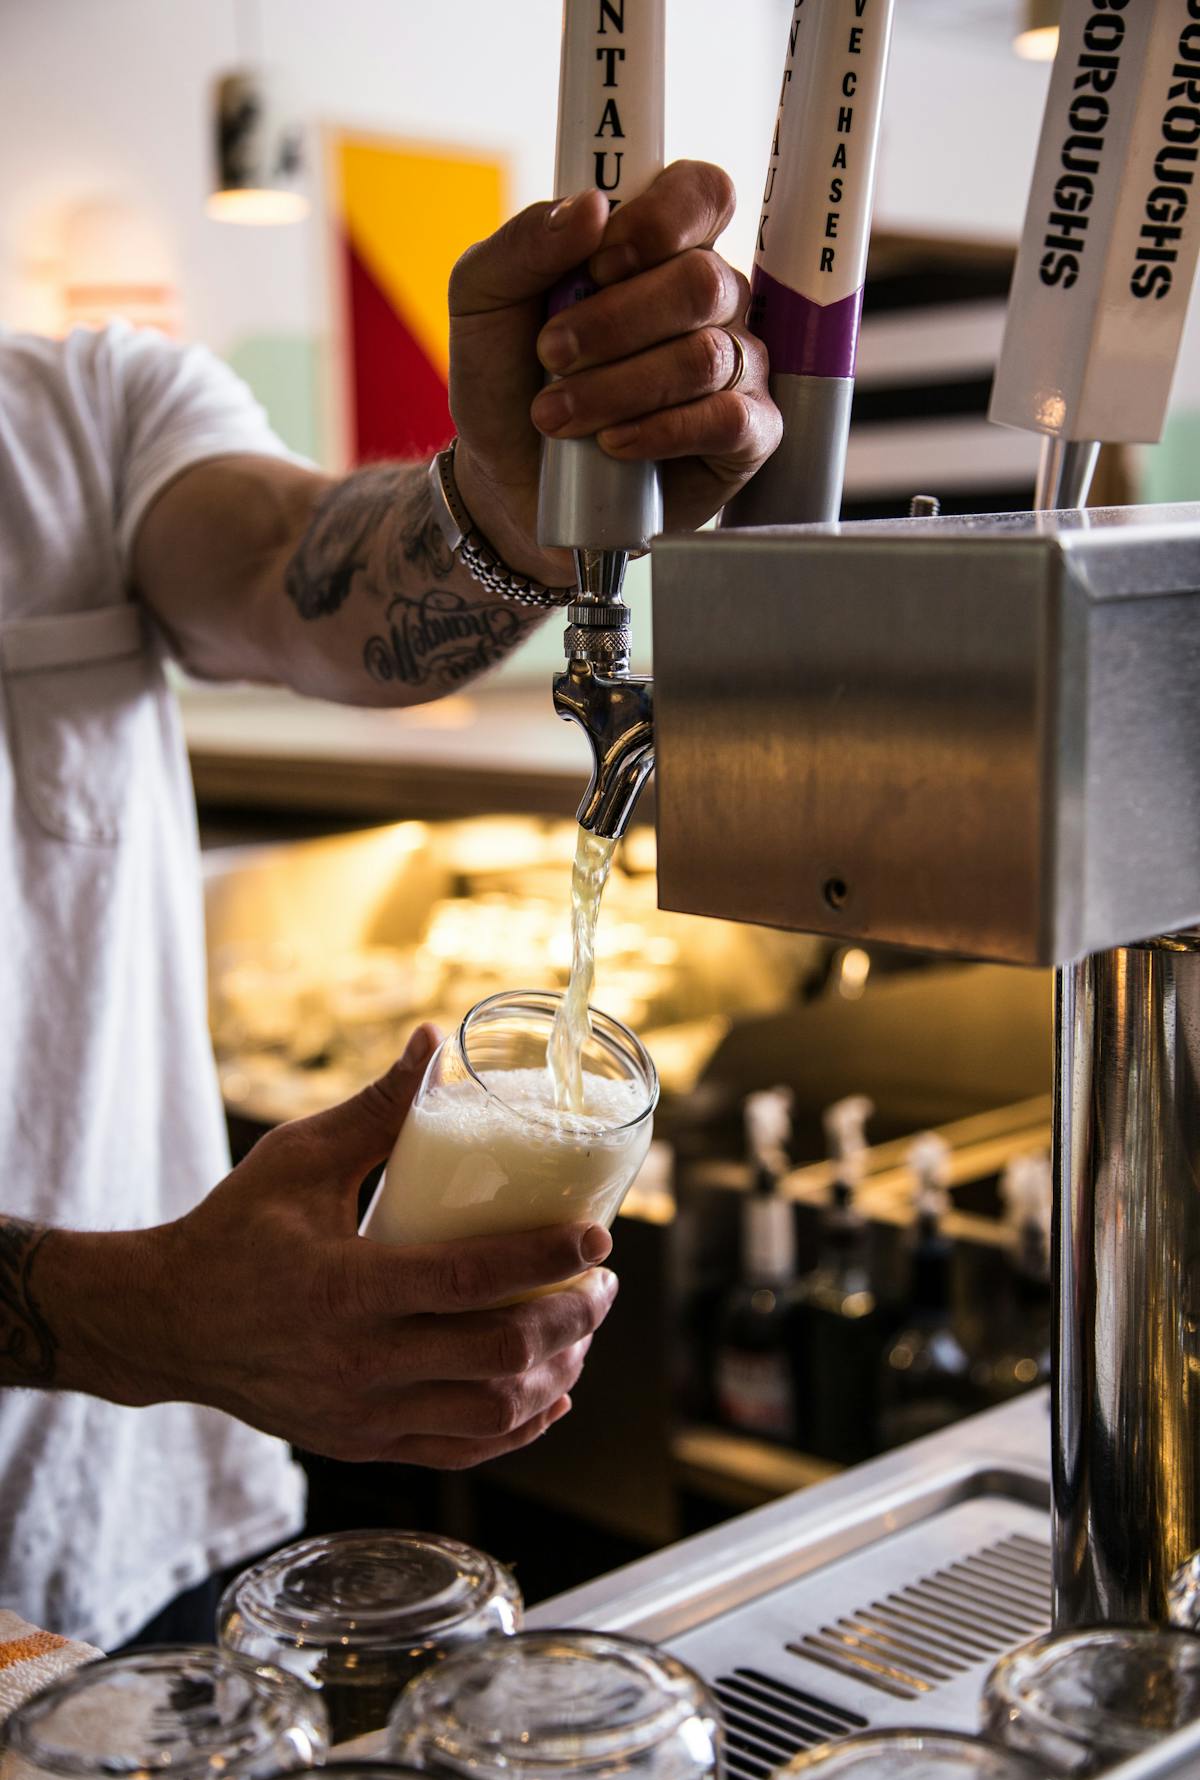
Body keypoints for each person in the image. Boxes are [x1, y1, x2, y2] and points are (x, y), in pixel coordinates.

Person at [0, 163, 780, 1649]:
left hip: (139, 1522)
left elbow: (307, 582)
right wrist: (139, 1309)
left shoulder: (73, 412)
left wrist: (510, 506)